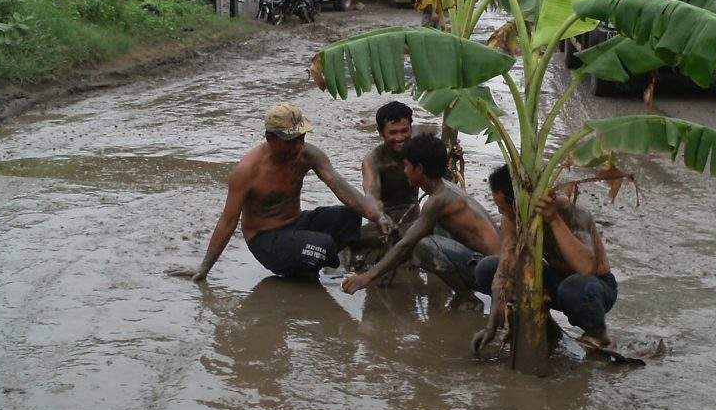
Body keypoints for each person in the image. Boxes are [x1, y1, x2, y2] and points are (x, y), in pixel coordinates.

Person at [168, 103, 394, 282]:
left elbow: (341, 187)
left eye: (302, 138)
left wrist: (377, 216)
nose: (298, 146)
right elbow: (227, 222)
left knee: (350, 215)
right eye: (291, 141)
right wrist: (204, 268)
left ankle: (319, 260)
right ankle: (315, 265)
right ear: (270, 138)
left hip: (296, 223)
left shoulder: (307, 154)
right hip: (266, 239)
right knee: (322, 245)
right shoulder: (248, 171)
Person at [341, 133, 499, 308]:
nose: (404, 170)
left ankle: (467, 298)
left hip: (493, 273)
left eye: (407, 166)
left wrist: (367, 277)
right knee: (432, 229)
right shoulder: (446, 189)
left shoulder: (438, 200)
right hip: (492, 264)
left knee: (422, 245)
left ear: (419, 169)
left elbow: (407, 244)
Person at [472, 165, 617, 353]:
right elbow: (504, 268)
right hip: (555, 280)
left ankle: (598, 333)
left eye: (503, 208)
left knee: (575, 286)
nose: (501, 213)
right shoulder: (512, 218)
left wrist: (553, 220)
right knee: (487, 268)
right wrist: (491, 326)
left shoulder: (572, 212)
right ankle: (548, 328)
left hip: (593, 288)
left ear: (520, 204)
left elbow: (586, 268)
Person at [361, 101, 420, 232]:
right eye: (393, 133)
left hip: (414, 221)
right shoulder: (373, 160)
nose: (399, 138)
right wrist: (380, 217)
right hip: (383, 222)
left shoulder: (420, 152)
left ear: (411, 128)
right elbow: (371, 195)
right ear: (380, 132)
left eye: (404, 131)